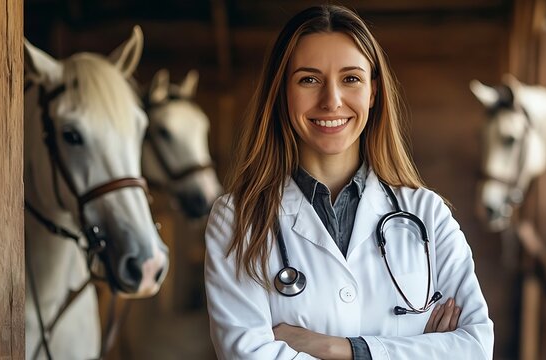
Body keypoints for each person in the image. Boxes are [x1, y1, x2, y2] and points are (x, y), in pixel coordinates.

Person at [204, 4, 494, 359]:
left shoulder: (427, 215)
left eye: (351, 78)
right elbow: (247, 355)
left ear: (373, 92)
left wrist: (340, 349)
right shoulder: (238, 218)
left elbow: (475, 347)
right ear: (282, 92)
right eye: (309, 79)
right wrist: (423, 348)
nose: (332, 101)